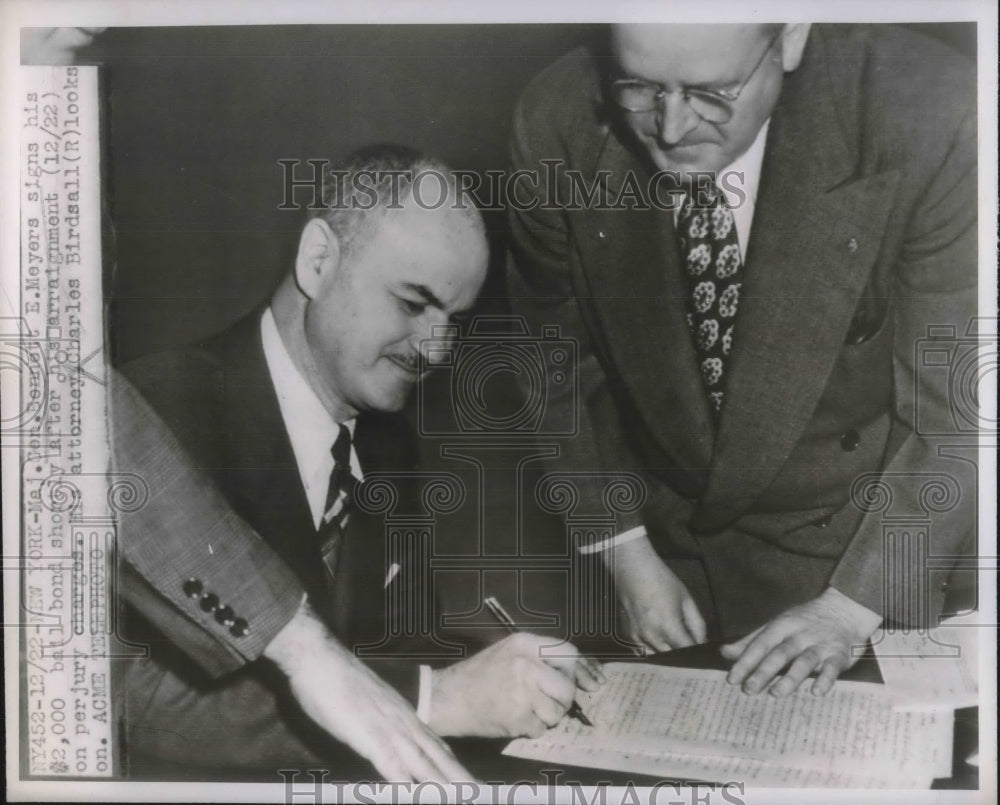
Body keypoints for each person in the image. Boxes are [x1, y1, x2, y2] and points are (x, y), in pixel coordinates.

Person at [507, 24, 976, 697]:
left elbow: (959, 409)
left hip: (877, 550)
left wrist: (851, 606)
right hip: (670, 553)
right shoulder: (555, 120)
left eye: (709, 92)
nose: (669, 128)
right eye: (639, 87)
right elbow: (546, 356)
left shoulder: (932, 110)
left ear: (789, 38)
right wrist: (620, 547)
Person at [117, 145, 602, 779]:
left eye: (454, 320)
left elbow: (380, 648)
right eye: (412, 303)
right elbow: (131, 700)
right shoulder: (155, 414)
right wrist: (441, 698)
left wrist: (504, 662)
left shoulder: (387, 444)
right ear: (317, 261)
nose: (436, 348)